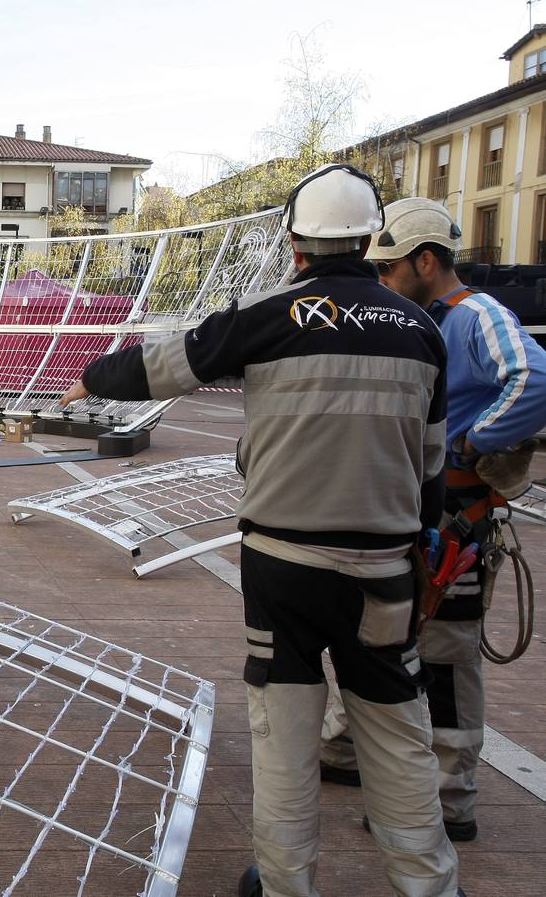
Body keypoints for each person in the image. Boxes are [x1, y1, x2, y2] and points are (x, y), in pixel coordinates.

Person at [61, 165, 459, 897]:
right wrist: (421, 541)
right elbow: (432, 468)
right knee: (399, 734)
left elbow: (170, 363)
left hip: (284, 567)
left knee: (283, 736)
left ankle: (284, 887)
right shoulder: (422, 333)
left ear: (297, 245)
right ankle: (429, 887)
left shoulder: (271, 313)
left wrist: (92, 376)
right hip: (384, 572)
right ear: (371, 239)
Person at [319, 197, 546, 844]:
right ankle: (346, 751)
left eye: (390, 268)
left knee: (444, 658)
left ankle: (448, 797)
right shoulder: (417, 320)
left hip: (453, 517)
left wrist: (477, 444)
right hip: (408, 510)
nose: (382, 280)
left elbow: (534, 378)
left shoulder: (477, 315)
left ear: (426, 260)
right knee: (383, 635)